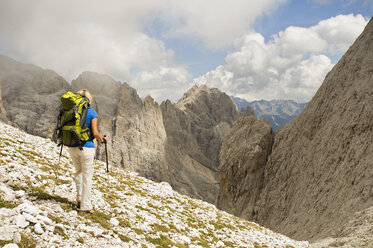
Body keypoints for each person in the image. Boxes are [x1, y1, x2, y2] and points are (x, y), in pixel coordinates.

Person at [67, 89, 108, 213]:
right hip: (87, 148)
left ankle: (79, 200)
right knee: (87, 177)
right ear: (89, 100)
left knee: (78, 173)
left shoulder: (71, 112)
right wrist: (103, 140)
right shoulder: (91, 112)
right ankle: (86, 206)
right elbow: (95, 133)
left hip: (72, 147)